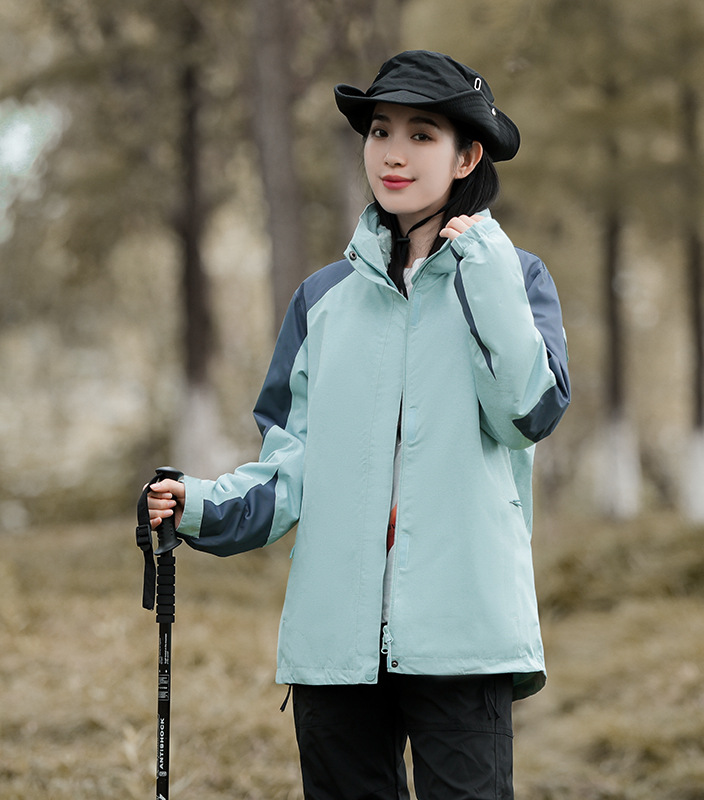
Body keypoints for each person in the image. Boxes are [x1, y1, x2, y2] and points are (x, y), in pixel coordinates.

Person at [148, 49, 570, 800]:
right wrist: (200, 502)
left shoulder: (514, 277)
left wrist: (484, 259)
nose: (394, 154)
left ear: (467, 154)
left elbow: (527, 413)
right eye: (380, 131)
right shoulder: (323, 299)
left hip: (462, 636)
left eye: (421, 134)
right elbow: (289, 464)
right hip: (334, 645)